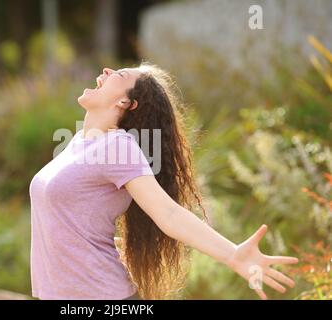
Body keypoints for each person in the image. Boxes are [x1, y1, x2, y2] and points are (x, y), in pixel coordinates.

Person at [29, 62, 298, 300]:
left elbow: (167, 212)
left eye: (119, 74)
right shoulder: (79, 142)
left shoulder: (116, 146)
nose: (106, 71)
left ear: (125, 103)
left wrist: (232, 254)